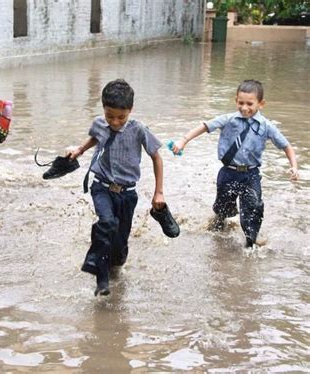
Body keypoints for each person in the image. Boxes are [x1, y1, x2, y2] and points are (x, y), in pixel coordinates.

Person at [172, 79, 299, 247]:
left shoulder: (267, 126)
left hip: (251, 174)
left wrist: (294, 166)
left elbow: (286, 146)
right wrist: (183, 141)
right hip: (228, 172)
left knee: (253, 207)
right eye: (241, 103)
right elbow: (204, 126)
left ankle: (250, 242)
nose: (244, 107)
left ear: (261, 104)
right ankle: (219, 223)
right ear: (236, 101)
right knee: (222, 209)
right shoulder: (229, 119)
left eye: (250, 104)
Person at [68, 79, 166, 296]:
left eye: (121, 117)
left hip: (127, 194)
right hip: (101, 187)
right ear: (103, 109)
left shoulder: (139, 130)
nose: (114, 122)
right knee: (106, 223)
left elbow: (157, 158)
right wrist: (79, 151)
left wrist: (159, 192)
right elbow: (96, 137)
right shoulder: (99, 124)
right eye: (109, 116)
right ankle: (99, 274)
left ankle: (111, 265)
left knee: (119, 249)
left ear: (130, 110)